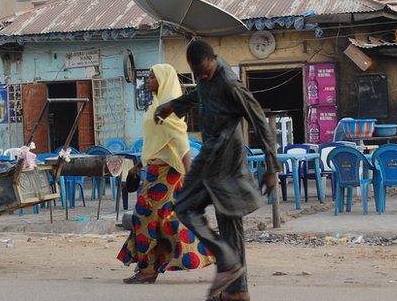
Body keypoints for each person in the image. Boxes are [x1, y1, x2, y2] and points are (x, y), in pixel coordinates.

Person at [154, 40, 280, 301]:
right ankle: (238, 290)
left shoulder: (230, 83)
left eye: (206, 72)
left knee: (185, 206)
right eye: (198, 74)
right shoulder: (204, 73)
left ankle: (226, 261)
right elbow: (198, 95)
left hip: (223, 157)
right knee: (228, 220)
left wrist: (272, 167)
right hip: (215, 153)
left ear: (215, 58)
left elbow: (258, 119)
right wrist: (172, 106)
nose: (203, 77)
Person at [117, 63, 215, 284]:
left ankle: (148, 270)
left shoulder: (167, 110)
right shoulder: (155, 106)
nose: (148, 81)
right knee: (168, 220)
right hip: (154, 171)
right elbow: (156, 142)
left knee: (143, 218)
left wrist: (190, 178)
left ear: (163, 81)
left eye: (152, 77)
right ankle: (212, 249)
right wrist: (140, 165)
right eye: (149, 76)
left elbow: (181, 143)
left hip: (167, 174)